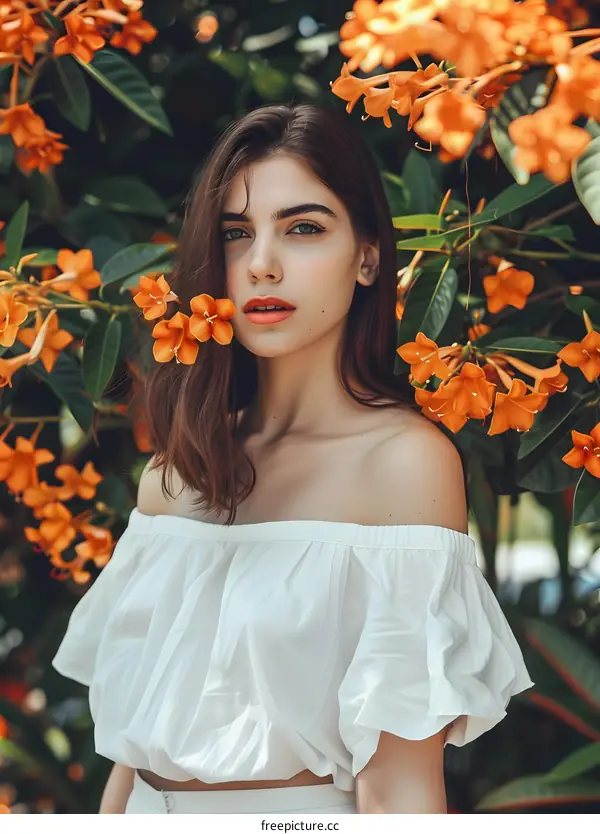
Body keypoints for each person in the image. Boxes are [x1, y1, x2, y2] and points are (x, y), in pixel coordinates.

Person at [52, 103, 533, 814]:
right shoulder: (175, 472)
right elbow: (128, 760)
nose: (262, 264)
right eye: (236, 234)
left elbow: (397, 789)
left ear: (367, 256)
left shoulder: (403, 466)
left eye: (303, 228)